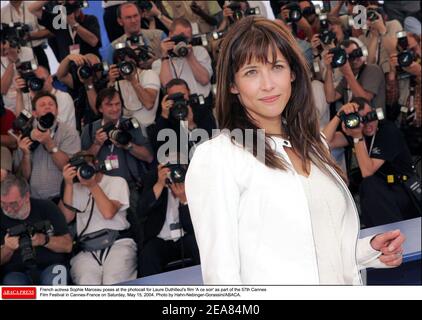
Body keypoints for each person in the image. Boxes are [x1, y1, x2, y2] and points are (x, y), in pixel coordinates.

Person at [185, 17, 405, 285]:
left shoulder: (314, 145)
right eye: (251, 72)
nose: (268, 84)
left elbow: (312, 248)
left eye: (276, 67)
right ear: (232, 85)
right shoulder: (218, 157)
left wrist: (367, 250)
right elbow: (221, 277)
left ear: (292, 73)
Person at [322, 98, 420, 227]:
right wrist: (339, 115)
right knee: (366, 187)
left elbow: (367, 172)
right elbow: (323, 142)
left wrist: (357, 137)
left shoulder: (388, 130)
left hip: (403, 191)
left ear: (376, 114)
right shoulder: (357, 131)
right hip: (380, 194)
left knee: (368, 184)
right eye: (361, 120)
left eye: (370, 117)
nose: (367, 125)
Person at [59, 152, 137, 285]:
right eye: (79, 167)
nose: (83, 170)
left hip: (117, 242)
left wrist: (92, 185)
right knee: (86, 282)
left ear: (96, 164)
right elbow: (66, 218)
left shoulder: (117, 182)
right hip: (86, 248)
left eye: (86, 166)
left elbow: (108, 213)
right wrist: (69, 184)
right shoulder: (74, 188)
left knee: (113, 280)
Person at [1, 175, 72, 285]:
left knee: (56, 281)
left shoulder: (47, 207)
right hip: (17, 272)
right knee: (13, 287)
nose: (8, 209)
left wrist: (44, 240)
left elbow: (68, 246)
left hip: (50, 266)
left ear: (26, 196)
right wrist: (7, 248)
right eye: (3, 204)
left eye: (13, 204)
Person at [14, 91, 81, 202]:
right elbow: (22, 178)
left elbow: (70, 168)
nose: (47, 107)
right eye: (42, 105)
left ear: (57, 110)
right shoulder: (27, 134)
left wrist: (50, 144)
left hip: (62, 197)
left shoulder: (69, 132)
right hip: (33, 199)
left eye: (51, 104)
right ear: (34, 113)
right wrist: (26, 154)